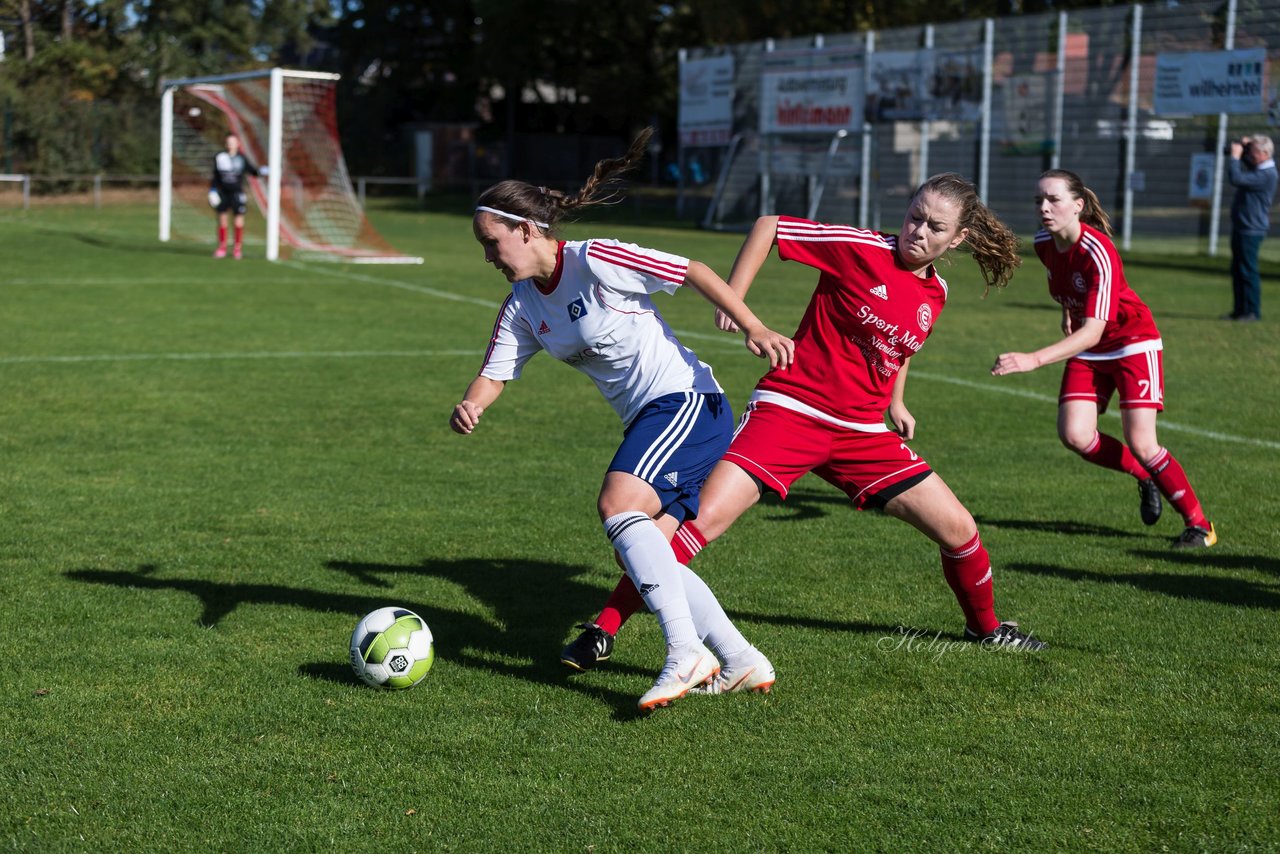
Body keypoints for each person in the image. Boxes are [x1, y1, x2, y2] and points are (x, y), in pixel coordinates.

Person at [565, 173, 1046, 681]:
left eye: (934, 226)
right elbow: (769, 226)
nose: (918, 231)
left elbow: (898, 346)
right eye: (914, 216)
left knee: (960, 530)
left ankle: (987, 628)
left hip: (862, 432)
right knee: (697, 526)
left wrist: (896, 401)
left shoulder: (937, 293)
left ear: (958, 239)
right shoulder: (861, 248)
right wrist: (737, 300)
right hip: (790, 411)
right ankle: (604, 628)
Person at [450, 129, 796, 711]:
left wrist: (755, 326)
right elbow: (497, 369)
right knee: (644, 550)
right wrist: (473, 404)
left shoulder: (596, 258)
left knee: (616, 504)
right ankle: (739, 659)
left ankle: (684, 651)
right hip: (661, 419)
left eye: (491, 242)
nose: (487, 255)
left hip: (686, 401)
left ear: (526, 230)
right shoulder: (522, 303)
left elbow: (694, 270)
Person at [992, 169, 1215, 549]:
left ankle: (1200, 525)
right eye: (1038, 201)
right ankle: (1144, 477)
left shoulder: (1099, 251)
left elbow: (1094, 330)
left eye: (1053, 200)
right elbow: (1064, 286)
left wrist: (1033, 359)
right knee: (1075, 435)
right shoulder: (1045, 242)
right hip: (1090, 347)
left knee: (1143, 441)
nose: (1044, 208)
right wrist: (1066, 310)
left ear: (1078, 206)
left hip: (1131, 343)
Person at [1225, 134, 1276, 322]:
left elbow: (1236, 178)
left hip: (1251, 229)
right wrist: (1245, 148)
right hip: (1242, 226)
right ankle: (1240, 310)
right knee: (1237, 270)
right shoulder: (1260, 169)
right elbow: (1248, 167)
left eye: (1253, 152)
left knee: (1248, 270)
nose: (1250, 155)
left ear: (1264, 153)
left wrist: (1236, 156)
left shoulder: (1267, 174)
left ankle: (1252, 311)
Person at [209, 133, 267, 260]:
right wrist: (212, 191)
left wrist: (264, 171)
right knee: (222, 219)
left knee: (238, 219)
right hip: (222, 192)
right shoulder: (220, 157)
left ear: (238, 144)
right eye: (229, 142)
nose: (231, 144)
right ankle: (222, 247)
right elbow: (215, 176)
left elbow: (253, 171)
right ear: (226, 144)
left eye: (233, 142)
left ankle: (237, 248)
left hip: (237, 192)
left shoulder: (242, 158)